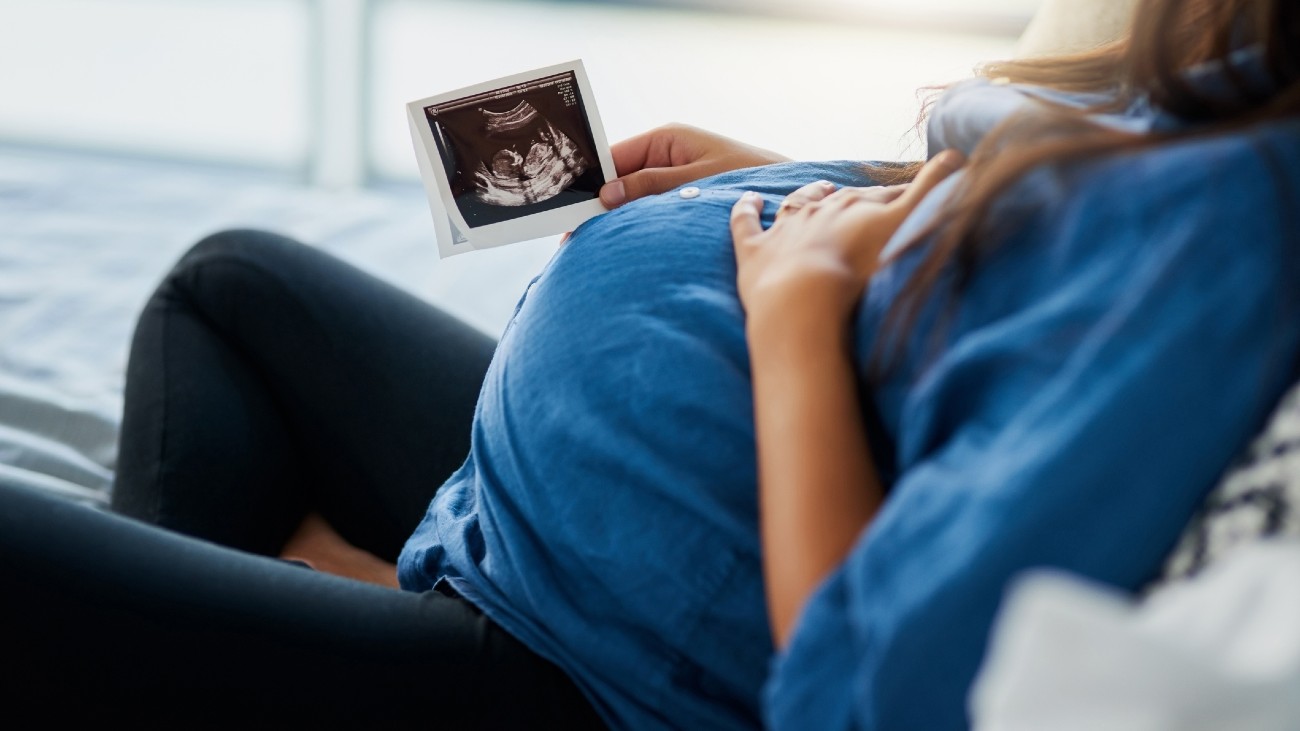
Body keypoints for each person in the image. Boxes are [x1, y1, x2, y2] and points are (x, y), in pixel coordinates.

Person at [2, 0, 1298, 727]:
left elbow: (875, 697)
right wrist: (797, 177)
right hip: (598, 530)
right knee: (232, 291)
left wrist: (793, 318)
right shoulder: (1220, 90)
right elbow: (1029, 258)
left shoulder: (1244, 221)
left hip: (606, 664)